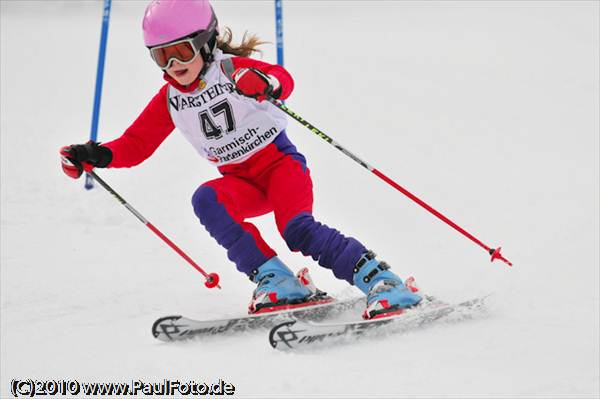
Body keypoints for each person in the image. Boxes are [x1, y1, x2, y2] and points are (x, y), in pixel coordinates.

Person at [59, 0, 421, 319]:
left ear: (205, 42)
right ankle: (276, 278)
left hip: (280, 167)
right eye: (161, 56)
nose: (173, 65)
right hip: (242, 183)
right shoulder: (170, 99)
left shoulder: (231, 70)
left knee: (298, 230)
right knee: (206, 199)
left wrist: (264, 83)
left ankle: (381, 280)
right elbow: (136, 144)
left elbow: (282, 79)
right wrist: (95, 155)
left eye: (182, 52)